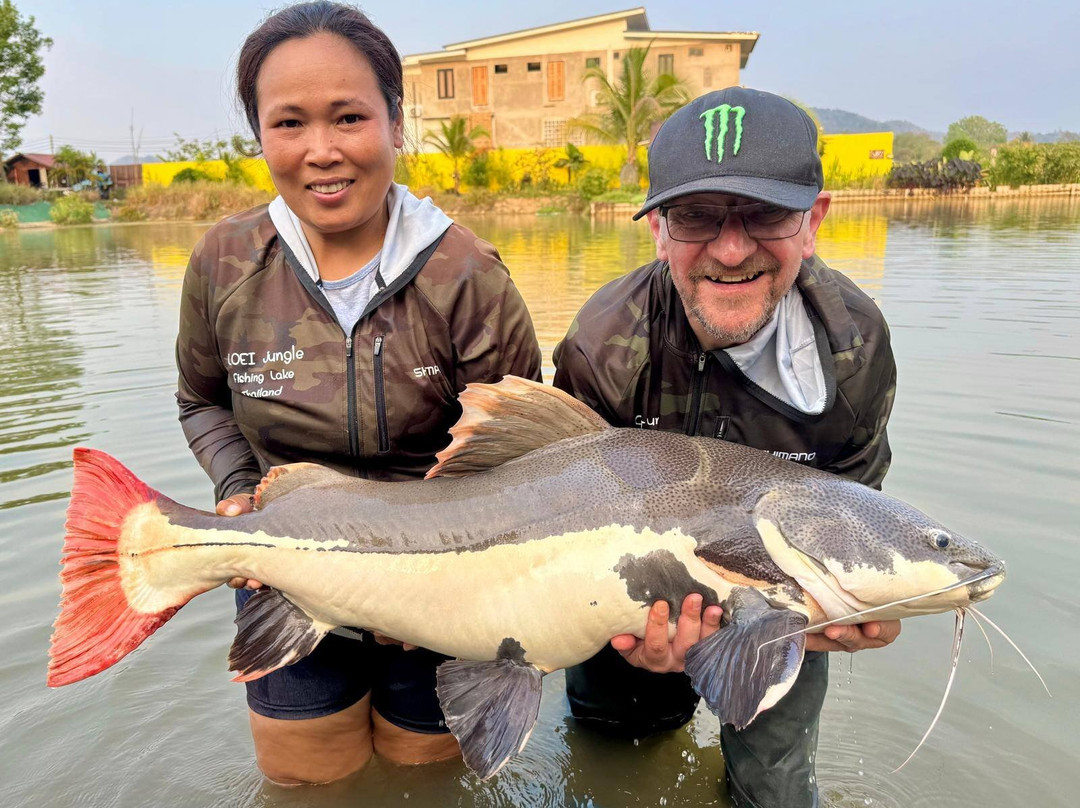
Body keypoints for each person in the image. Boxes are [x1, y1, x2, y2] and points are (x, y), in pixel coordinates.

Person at [175, 1, 541, 786]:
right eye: (289, 123)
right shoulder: (225, 262)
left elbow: (529, 463)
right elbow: (200, 399)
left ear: (396, 123)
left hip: (448, 589)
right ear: (260, 137)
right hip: (288, 578)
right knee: (307, 786)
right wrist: (240, 490)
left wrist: (432, 585)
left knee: (424, 785)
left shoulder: (468, 276)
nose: (321, 151)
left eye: (348, 117)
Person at [553, 87, 902, 808]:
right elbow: (558, 520)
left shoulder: (854, 350)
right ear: (657, 230)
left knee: (773, 788)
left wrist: (851, 611)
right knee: (612, 759)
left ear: (813, 223)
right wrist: (636, 637)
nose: (732, 247)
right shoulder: (603, 345)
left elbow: (857, 508)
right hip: (629, 604)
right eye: (696, 216)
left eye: (766, 214)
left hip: (785, 614)